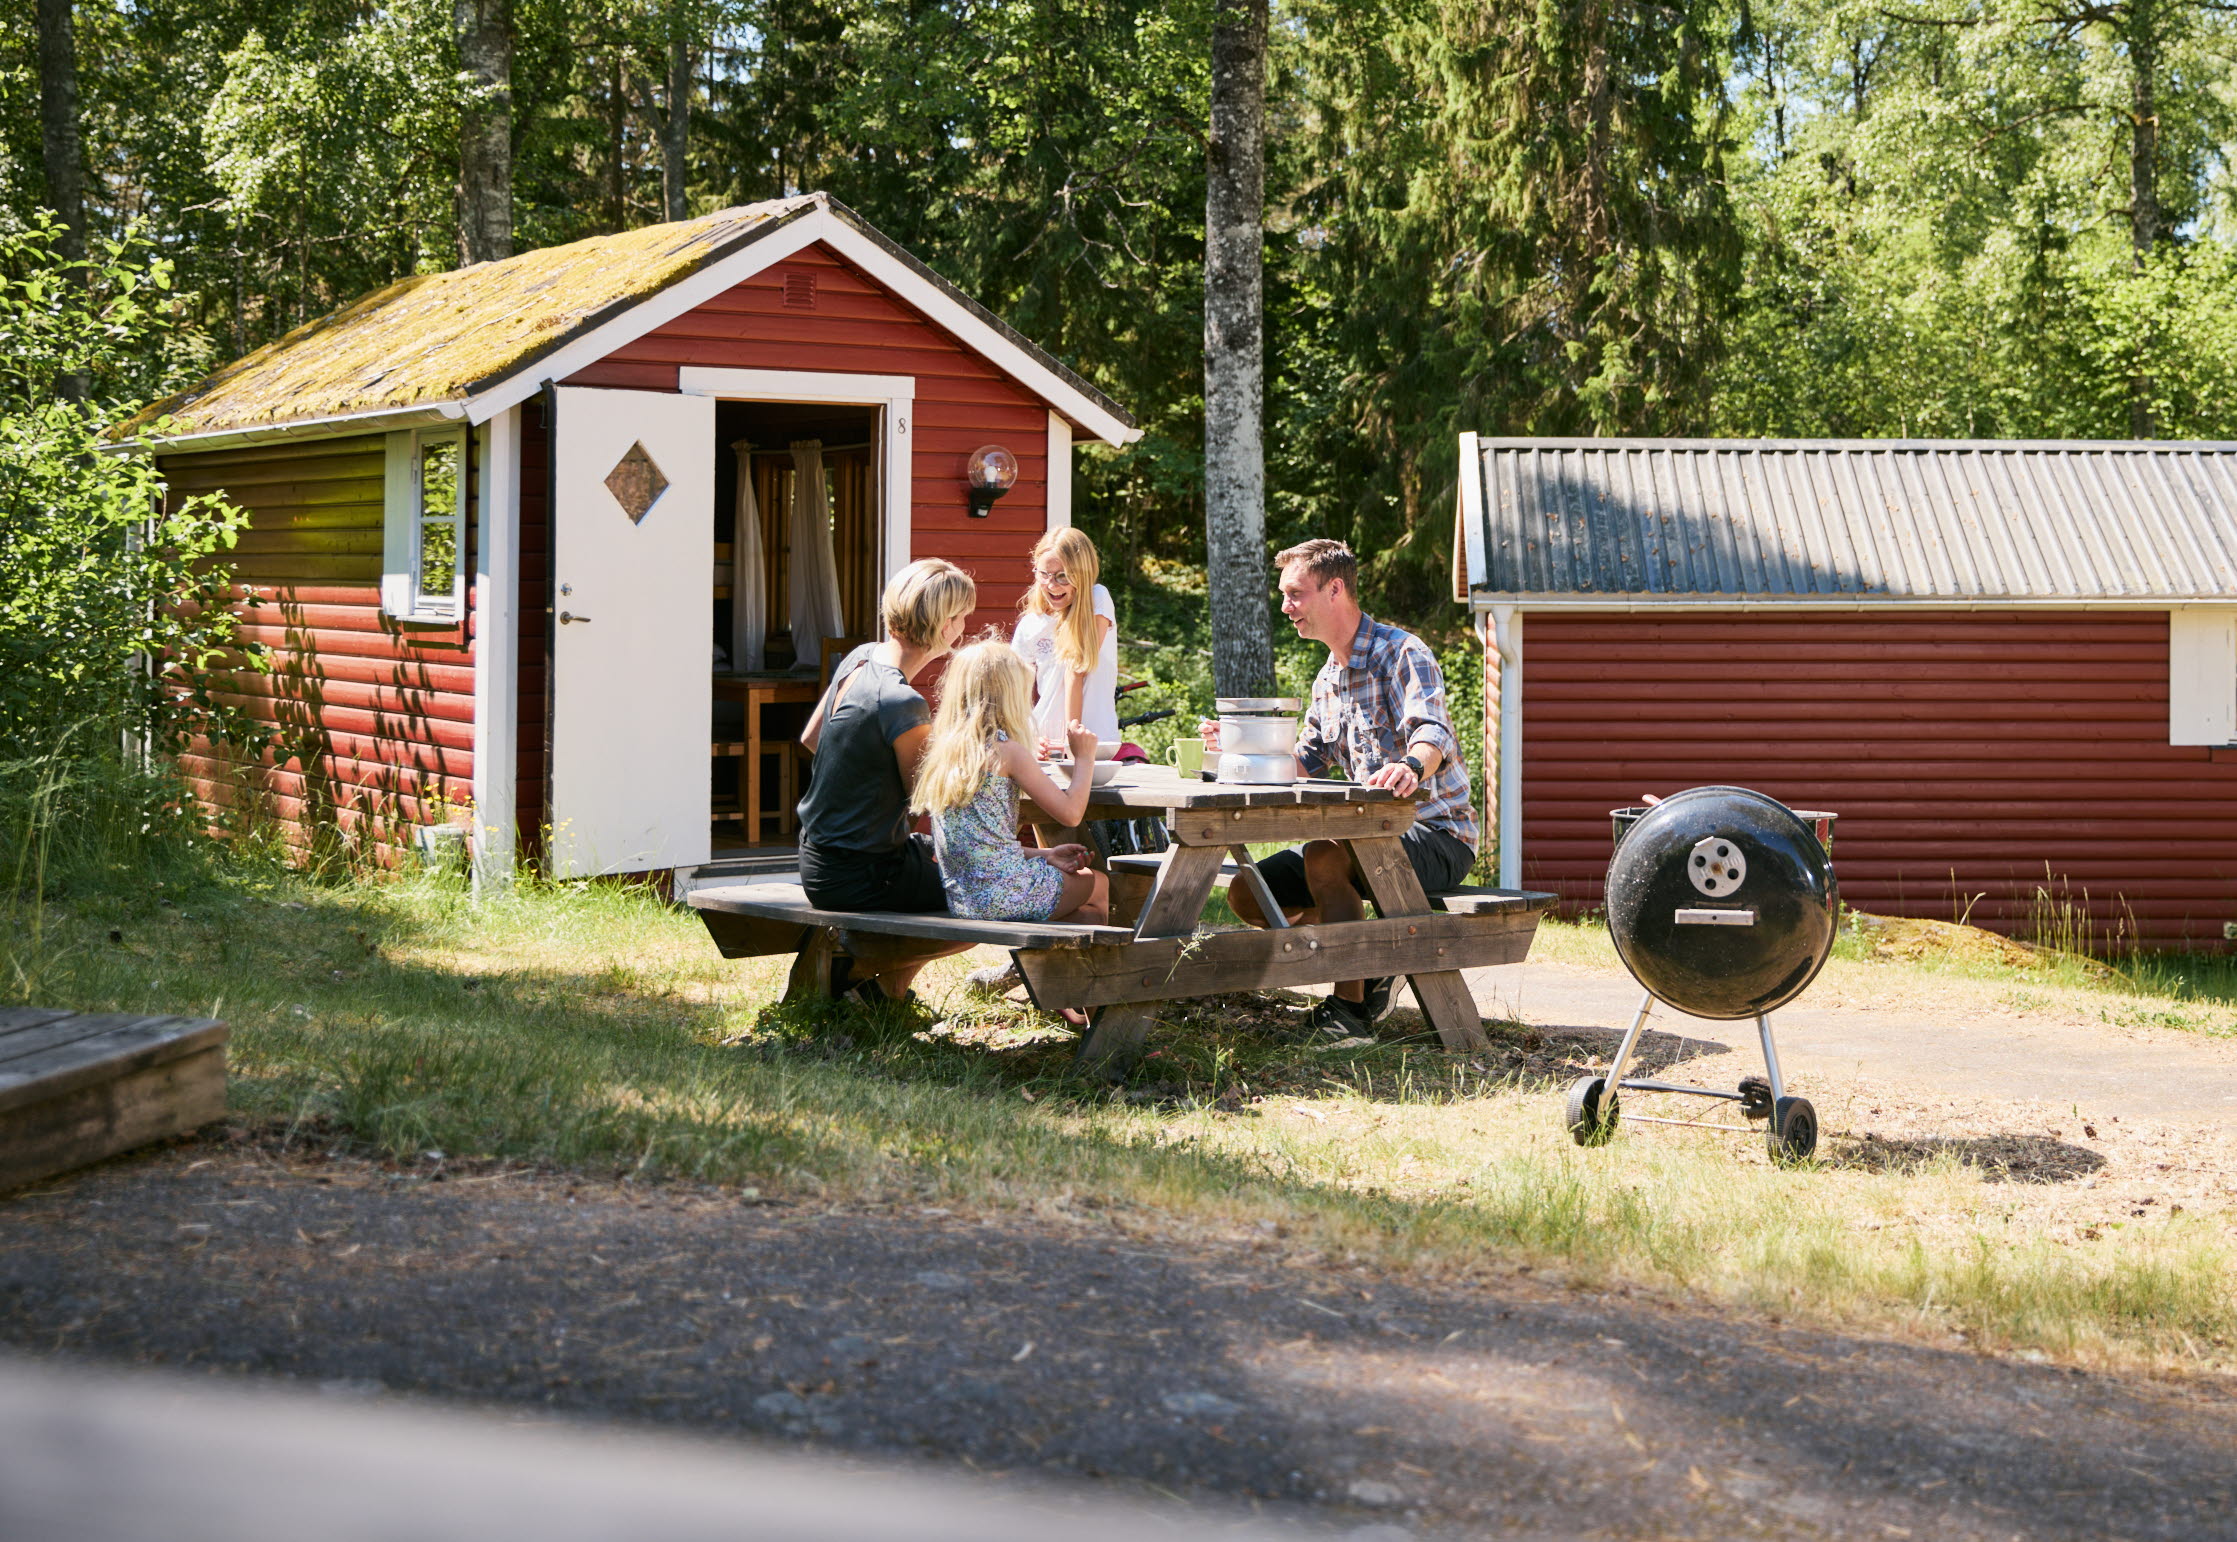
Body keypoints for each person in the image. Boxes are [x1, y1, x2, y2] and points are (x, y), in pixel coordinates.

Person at [1202, 538, 1478, 1038]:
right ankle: (1369, 954)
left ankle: (1351, 1014)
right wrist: (1235, 747)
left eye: (1295, 594)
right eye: (1284, 596)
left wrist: (1411, 767)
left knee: (1324, 858)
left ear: (1334, 590)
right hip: (1366, 836)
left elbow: (1432, 730)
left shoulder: (1402, 653)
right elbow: (1302, 763)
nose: (1286, 608)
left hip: (1437, 836)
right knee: (1248, 891)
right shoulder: (1327, 678)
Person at [796, 557, 980, 1005]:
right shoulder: (901, 702)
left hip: (819, 856)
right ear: (942, 625)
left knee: (945, 868)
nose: (962, 628)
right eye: (960, 618)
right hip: (862, 874)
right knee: (983, 897)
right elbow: (930, 798)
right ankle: (855, 971)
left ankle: (881, 999)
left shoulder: (861, 658)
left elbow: (811, 738)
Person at [912, 641, 1109, 1021]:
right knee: (1098, 884)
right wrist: (1083, 758)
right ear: (1008, 695)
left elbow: (979, 846)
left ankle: (1065, 996)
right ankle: (1095, 1006)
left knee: (1076, 910)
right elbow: (1070, 813)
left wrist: (1045, 855)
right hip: (1006, 896)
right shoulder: (1008, 751)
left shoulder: (945, 751)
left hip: (966, 899)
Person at [1011, 528, 1119, 755]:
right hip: (1046, 747)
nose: (1052, 585)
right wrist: (1028, 738)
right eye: (1044, 574)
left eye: (1063, 576)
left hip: (1094, 743)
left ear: (1083, 573)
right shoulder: (1030, 624)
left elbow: (1076, 671)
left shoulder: (1097, 598)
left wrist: (1073, 740)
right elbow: (1013, 694)